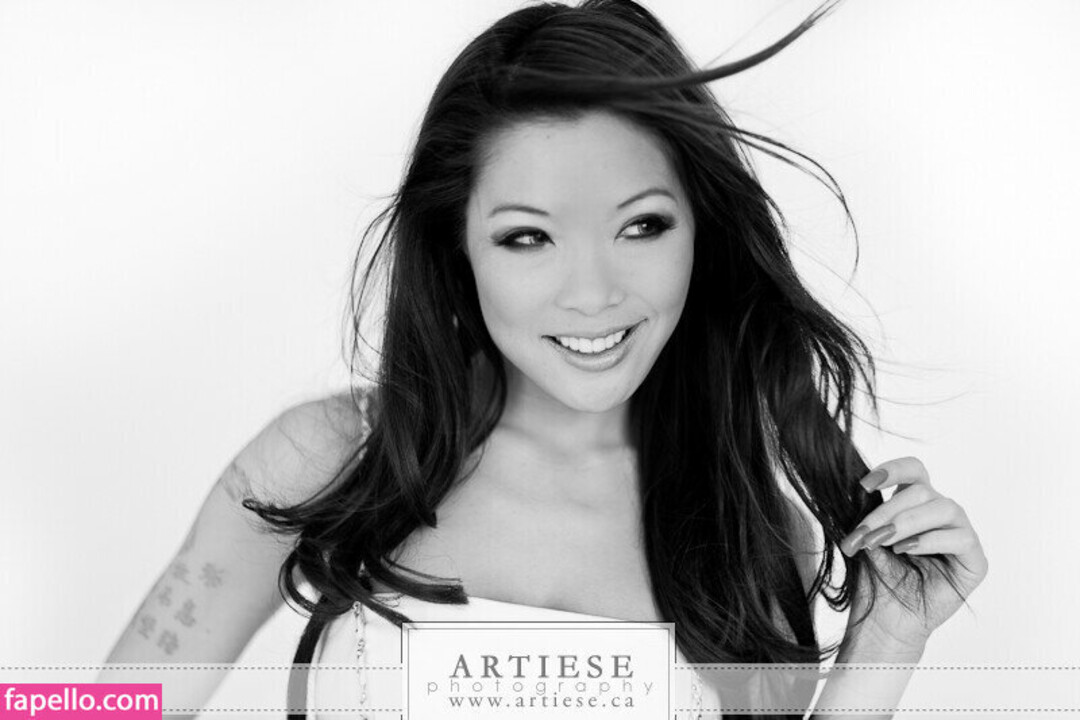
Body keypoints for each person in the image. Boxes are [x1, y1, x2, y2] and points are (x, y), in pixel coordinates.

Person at [99, 1, 987, 717]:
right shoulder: (333, 458)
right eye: (528, 237)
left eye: (642, 225)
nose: (591, 294)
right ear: (458, 247)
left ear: (701, 233)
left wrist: (887, 643)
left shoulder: (750, 531)